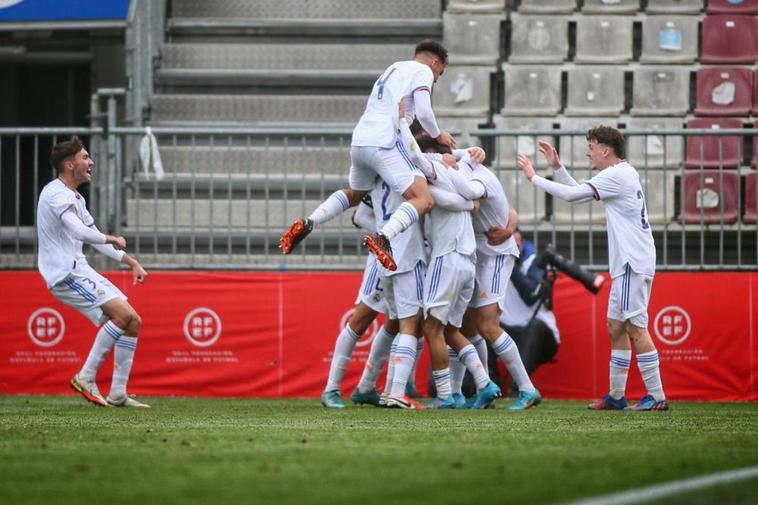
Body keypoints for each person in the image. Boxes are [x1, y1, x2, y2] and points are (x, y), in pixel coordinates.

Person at [518, 127, 668, 411]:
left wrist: (534, 178)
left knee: (635, 326)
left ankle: (657, 397)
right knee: (616, 326)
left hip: (631, 262)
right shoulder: (622, 173)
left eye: (591, 146)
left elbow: (573, 197)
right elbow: (579, 192)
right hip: (630, 261)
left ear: (605, 150)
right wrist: (558, 168)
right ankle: (616, 396)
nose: (588, 152)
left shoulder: (617, 175)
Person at [279, 39, 456, 271]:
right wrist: (438, 134)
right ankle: (383, 238)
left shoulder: (393, 68)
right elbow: (423, 111)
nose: (436, 80)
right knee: (423, 199)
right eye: (439, 74)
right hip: (386, 142)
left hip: (361, 140)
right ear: (434, 63)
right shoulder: (422, 70)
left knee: (355, 194)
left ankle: (310, 221)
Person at [37, 136, 149, 408]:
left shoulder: (75, 196)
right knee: (122, 316)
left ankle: (118, 393)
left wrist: (130, 261)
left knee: (133, 321)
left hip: (80, 269)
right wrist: (111, 238)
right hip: (65, 274)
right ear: (69, 165)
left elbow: (92, 235)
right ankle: (85, 377)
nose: (91, 162)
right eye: (85, 157)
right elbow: (79, 231)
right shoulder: (55, 194)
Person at [320, 198, 400, 409]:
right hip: (384, 255)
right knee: (361, 320)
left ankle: (366, 387)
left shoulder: (419, 170)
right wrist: (391, 232)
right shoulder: (382, 171)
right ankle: (331, 389)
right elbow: (359, 216)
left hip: (409, 255)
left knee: (397, 321)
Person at [500, 229, 560, 395]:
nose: (512, 247)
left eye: (516, 243)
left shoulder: (534, 262)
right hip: (508, 329)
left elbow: (530, 295)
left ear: (523, 244)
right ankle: (489, 385)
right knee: (483, 327)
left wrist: (511, 264)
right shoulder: (494, 264)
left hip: (541, 333)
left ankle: (519, 388)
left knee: (535, 328)